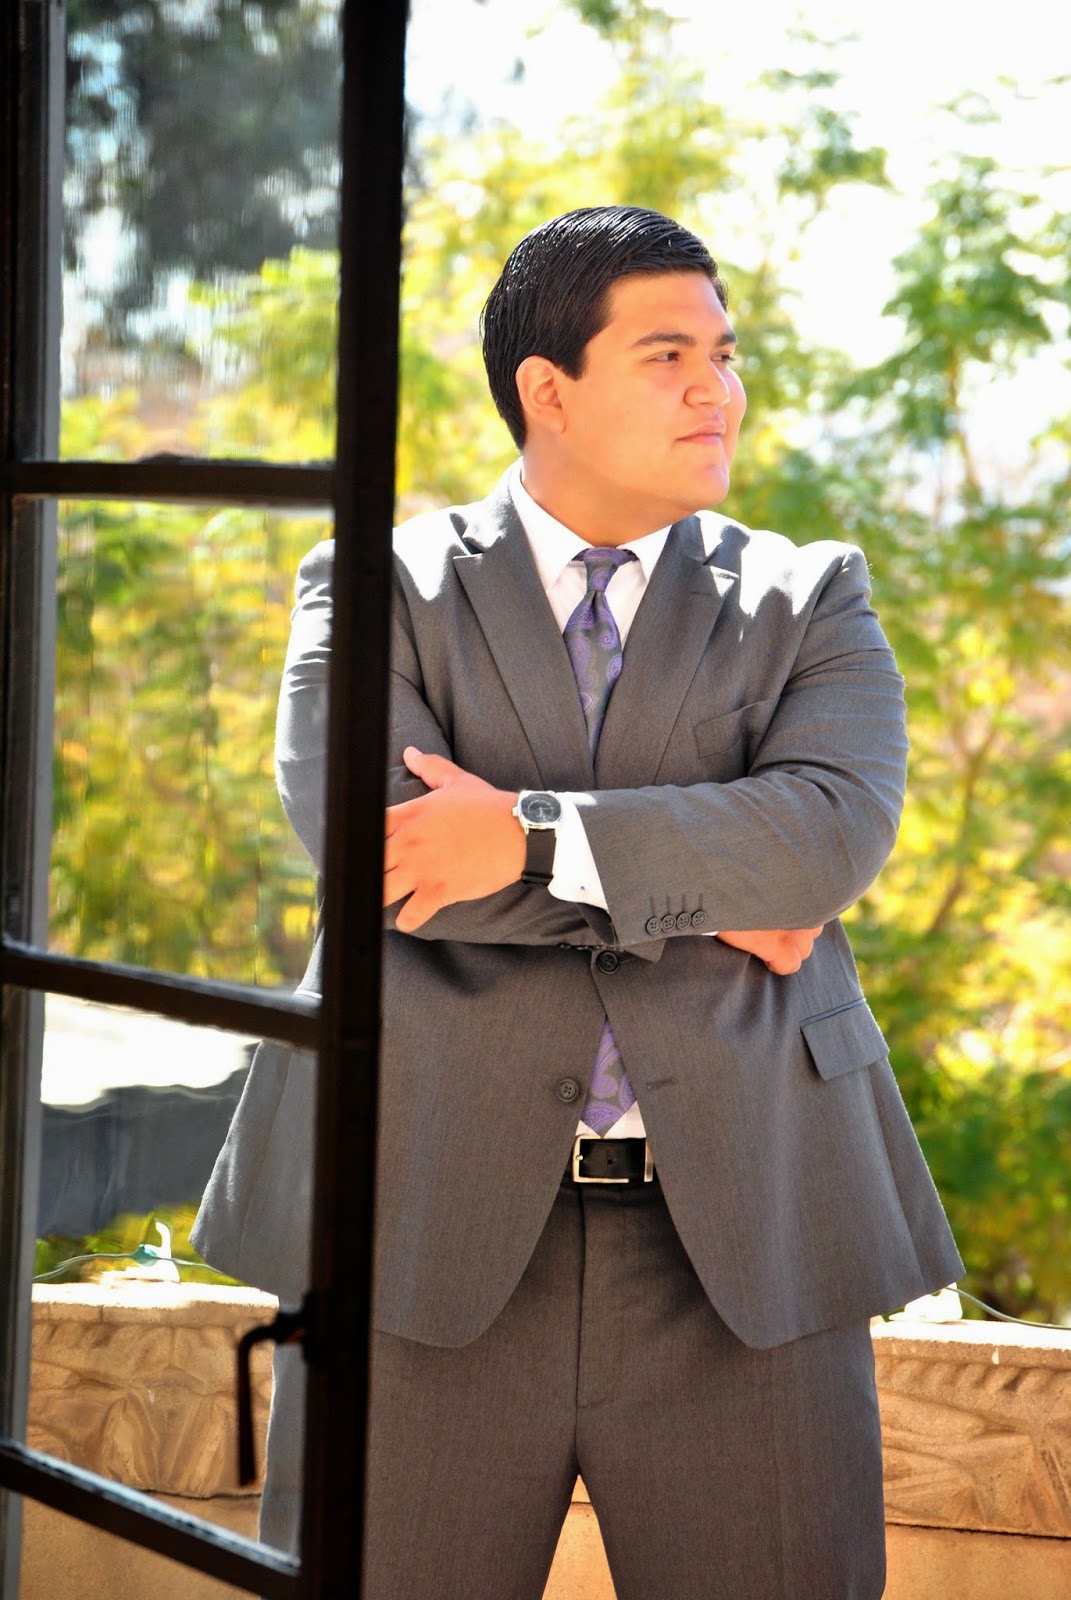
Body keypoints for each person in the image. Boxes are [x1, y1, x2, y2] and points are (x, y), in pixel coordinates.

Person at [194, 205, 963, 1599]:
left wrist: (526, 838)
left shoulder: (811, 597)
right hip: (417, 1231)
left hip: (754, 1242)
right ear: (547, 389)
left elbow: (829, 840)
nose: (716, 389)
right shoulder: (377, 587)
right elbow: (377, 854)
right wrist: (705, 878)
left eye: (724, 354)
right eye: (668, 355)